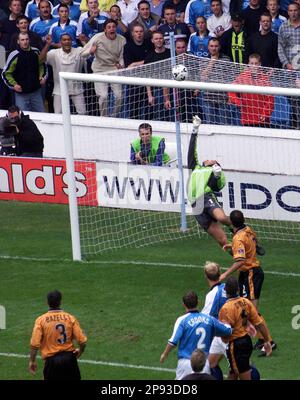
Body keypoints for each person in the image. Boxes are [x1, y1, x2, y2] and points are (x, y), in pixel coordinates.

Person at [219, 209, 277, 355]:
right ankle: (261, 338)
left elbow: (240, 261)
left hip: (251, 273)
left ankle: (269, 341)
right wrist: (233, 247)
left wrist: (224, 274)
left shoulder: (238, 237)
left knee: (252, 311)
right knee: (249, 309)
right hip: (249, 274)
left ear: (231, 222)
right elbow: (253, 244)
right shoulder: (248, 229)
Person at [160, 290, 232, 380]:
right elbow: (228, 331)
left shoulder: (182, 320)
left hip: (185, 363)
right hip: (203, 363)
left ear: (184, 304)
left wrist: (164, 354)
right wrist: (227, 323)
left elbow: (173, 341)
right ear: (198, 302)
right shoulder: (209, 319)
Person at [187, 115, 232, 248]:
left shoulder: (214, 172)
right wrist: (195, 129)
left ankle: (241, 229)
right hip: (196, 205)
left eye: (213, 161)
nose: (209, 160)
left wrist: (216, 175)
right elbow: (192, 150)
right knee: (223, 242)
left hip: (206, 198)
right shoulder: (195, 167)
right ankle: (243, 262)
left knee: (222, 218)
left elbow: (216, 187)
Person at [218, 276, 272, 379]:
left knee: (242, 373)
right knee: (234, 372)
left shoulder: (225, 309)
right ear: (238, 289)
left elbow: (225, 333)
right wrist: (267, 340)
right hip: (247, 341)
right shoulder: (246, 302)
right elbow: (259, 323)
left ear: (225, 290)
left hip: (235, 344)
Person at [29, 290, 87, 380]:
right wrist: (80, 351)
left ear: (47, 302)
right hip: (69, 359)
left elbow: (34, 344)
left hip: (52, 362)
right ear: (60, 302)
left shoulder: (41, 320)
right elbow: (82, 341)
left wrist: (32, 361)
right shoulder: (70, 318)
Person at [80, 18, 126, 117]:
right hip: (99, 70)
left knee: (119, 96)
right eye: (109, 27)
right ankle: (104, 117)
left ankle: (114, 116)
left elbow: (121, 57)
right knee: (104, 96)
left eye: (113, 27)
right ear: (105, 29)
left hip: (114, 69)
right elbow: (82, 54)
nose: (111, 29)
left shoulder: (122, 40)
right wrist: (91, 51)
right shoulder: (97, 38)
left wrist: (121, 65)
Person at [40, 33, 87, 114]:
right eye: (64, 40)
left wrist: (83, 41)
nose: (67, 42)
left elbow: (90, 53)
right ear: (60, 42)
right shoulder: (54, 53)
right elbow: (41, 60)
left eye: (69, 39)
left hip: (76, 89)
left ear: (72, 41)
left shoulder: (79, 51)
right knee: (58, 114)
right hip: (59, 90)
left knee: (83, 113)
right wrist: (48, 44)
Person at [2, 32, 47, 112]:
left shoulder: (36, 52)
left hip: (36, 92)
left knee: (41, 115)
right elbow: (6, 73)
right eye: (22, 40)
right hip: (21, 94)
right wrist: (14, 85)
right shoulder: (14, 55)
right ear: (18, 41)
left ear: (29, 40)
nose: (25, 42)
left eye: (26, 39)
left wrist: (42, 77)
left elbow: (42, 66)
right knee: (22, 117)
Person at [228, 53, 274, 127]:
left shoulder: (265, 79)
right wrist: (238, 102)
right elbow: (231, 91)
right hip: (247, 118)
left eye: (256, 63)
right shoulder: (242, 76)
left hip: (262, 119)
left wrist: (265, 113)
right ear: (248, 64)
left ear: (260, 64)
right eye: (252, 63)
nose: (254, 66)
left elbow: (270, 100)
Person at [202, 261, 228, 380]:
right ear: (220, 273)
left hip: (224, 334)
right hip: (231, 330)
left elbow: (205, 318)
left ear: (206, 276)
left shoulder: (212, 295)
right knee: (211, 364)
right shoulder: (227, 288)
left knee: (242, 368)